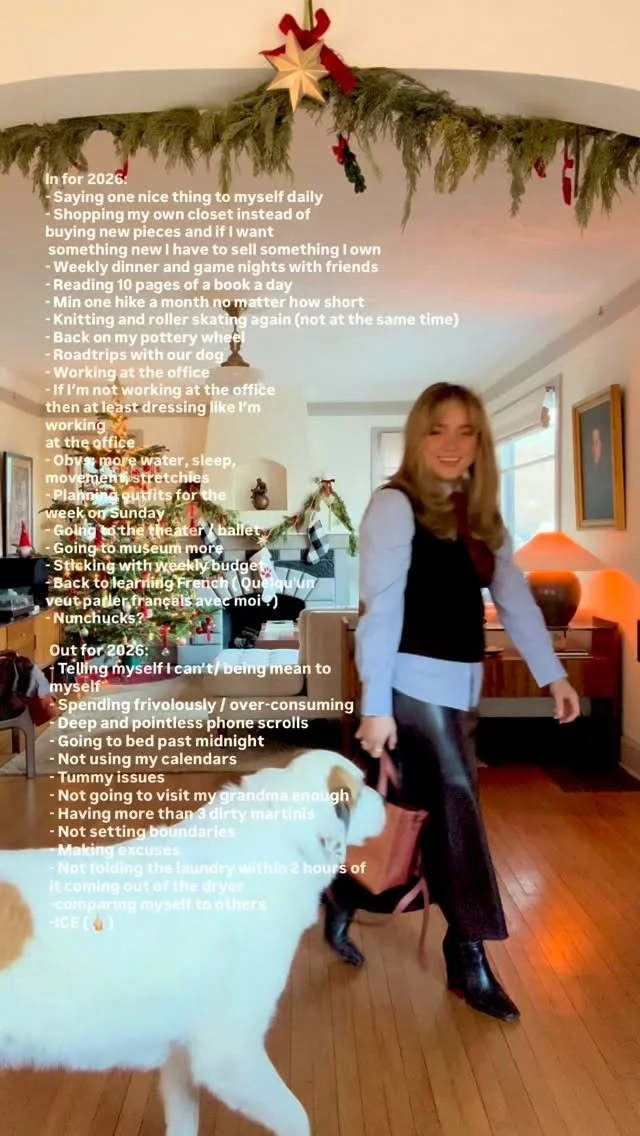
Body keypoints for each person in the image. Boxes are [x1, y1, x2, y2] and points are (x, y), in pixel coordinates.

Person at [322, 382, 580, 1022]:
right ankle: (468, 954)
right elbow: (380, 611)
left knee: (409, 814)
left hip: (460, 693)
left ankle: (344, 893)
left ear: (480, 442)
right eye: (438, 429)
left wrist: (553, 675)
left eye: (465, 431)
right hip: (410, 689)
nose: (451, 443)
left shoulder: (481, 514)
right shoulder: (394, 506)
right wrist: (375, 705)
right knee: (460, 813)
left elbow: (515, 599)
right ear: (418, 436)